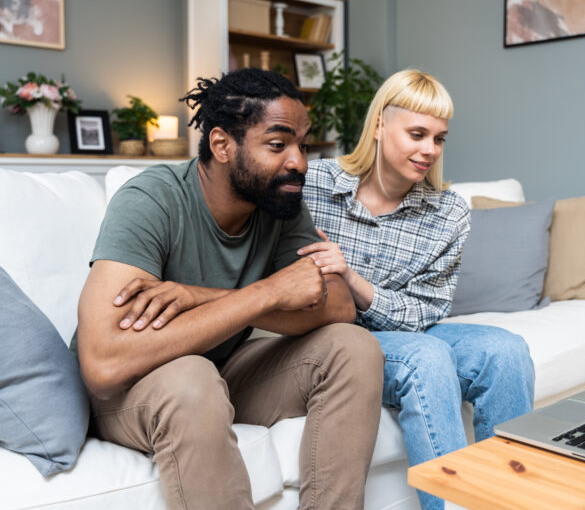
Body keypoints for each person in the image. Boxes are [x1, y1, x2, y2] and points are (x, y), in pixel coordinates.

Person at [74, 68, 384, 510]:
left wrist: (203, 296)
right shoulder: (151, 200)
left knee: (353, 346)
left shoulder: (278, 203)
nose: (298, 161)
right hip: (130, 392)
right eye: (277, 144)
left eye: (303, 144)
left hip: (223, 371)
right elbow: (103, 365)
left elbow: (337, 307)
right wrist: (267, 293)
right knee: (191, 377)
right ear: (222, 145)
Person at [300, 69, 536, 510]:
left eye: (439, 138)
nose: (429, 150)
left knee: (506, 351)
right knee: (424, 358)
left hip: (411, 329)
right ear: (378, 126)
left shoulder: (449, 212)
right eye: (417, 133)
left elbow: (425, 311)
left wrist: (352, 279)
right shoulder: (313, 185)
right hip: (337, 339)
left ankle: (510, 502)